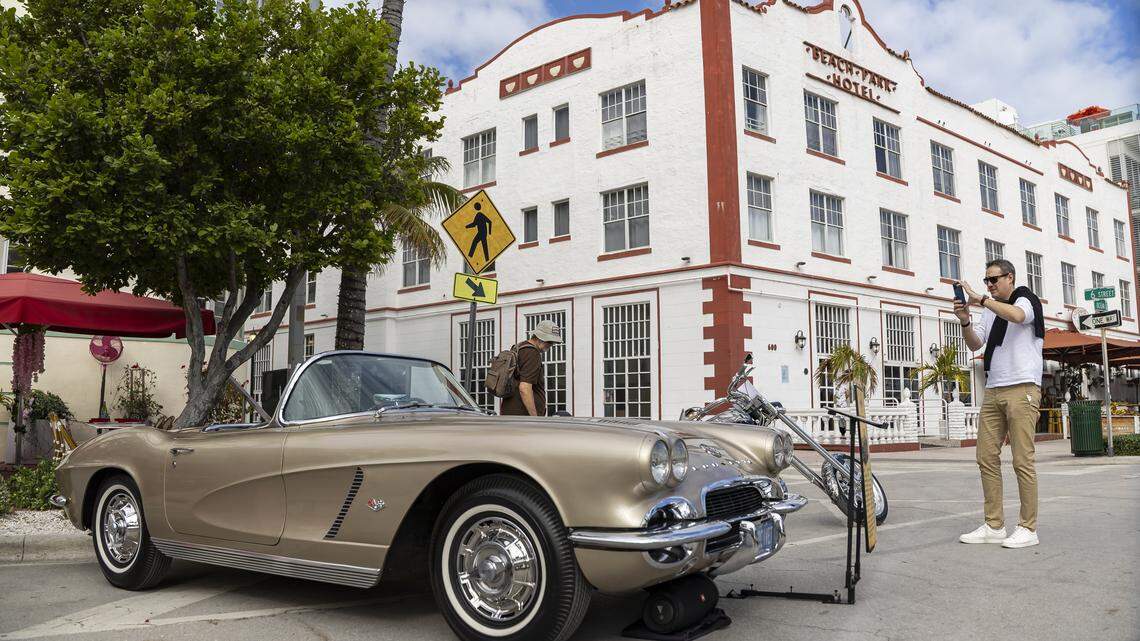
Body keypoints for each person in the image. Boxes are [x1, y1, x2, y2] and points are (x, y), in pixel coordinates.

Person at [954, 259, 1045, 549]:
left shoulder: (1024, 298)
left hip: (1022, 387)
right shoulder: (990, 310)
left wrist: (982, 299)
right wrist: (966, 319)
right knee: (985, 457)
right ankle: (994, 525)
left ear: (1010, 277)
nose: (990, 285)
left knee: (1022, 460)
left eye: (994, 279)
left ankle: (1028, 528)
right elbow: (974, 343)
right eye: (986, 281)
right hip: (994, 389)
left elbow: (1017, 316)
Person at [500, 320, 562, 417]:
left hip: (511, 411)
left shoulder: (519, 347)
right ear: (540, 338)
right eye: (550, 342)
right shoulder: (532, 353)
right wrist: (535, 417)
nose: (551, 345)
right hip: (523, 416)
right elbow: (524, 388)